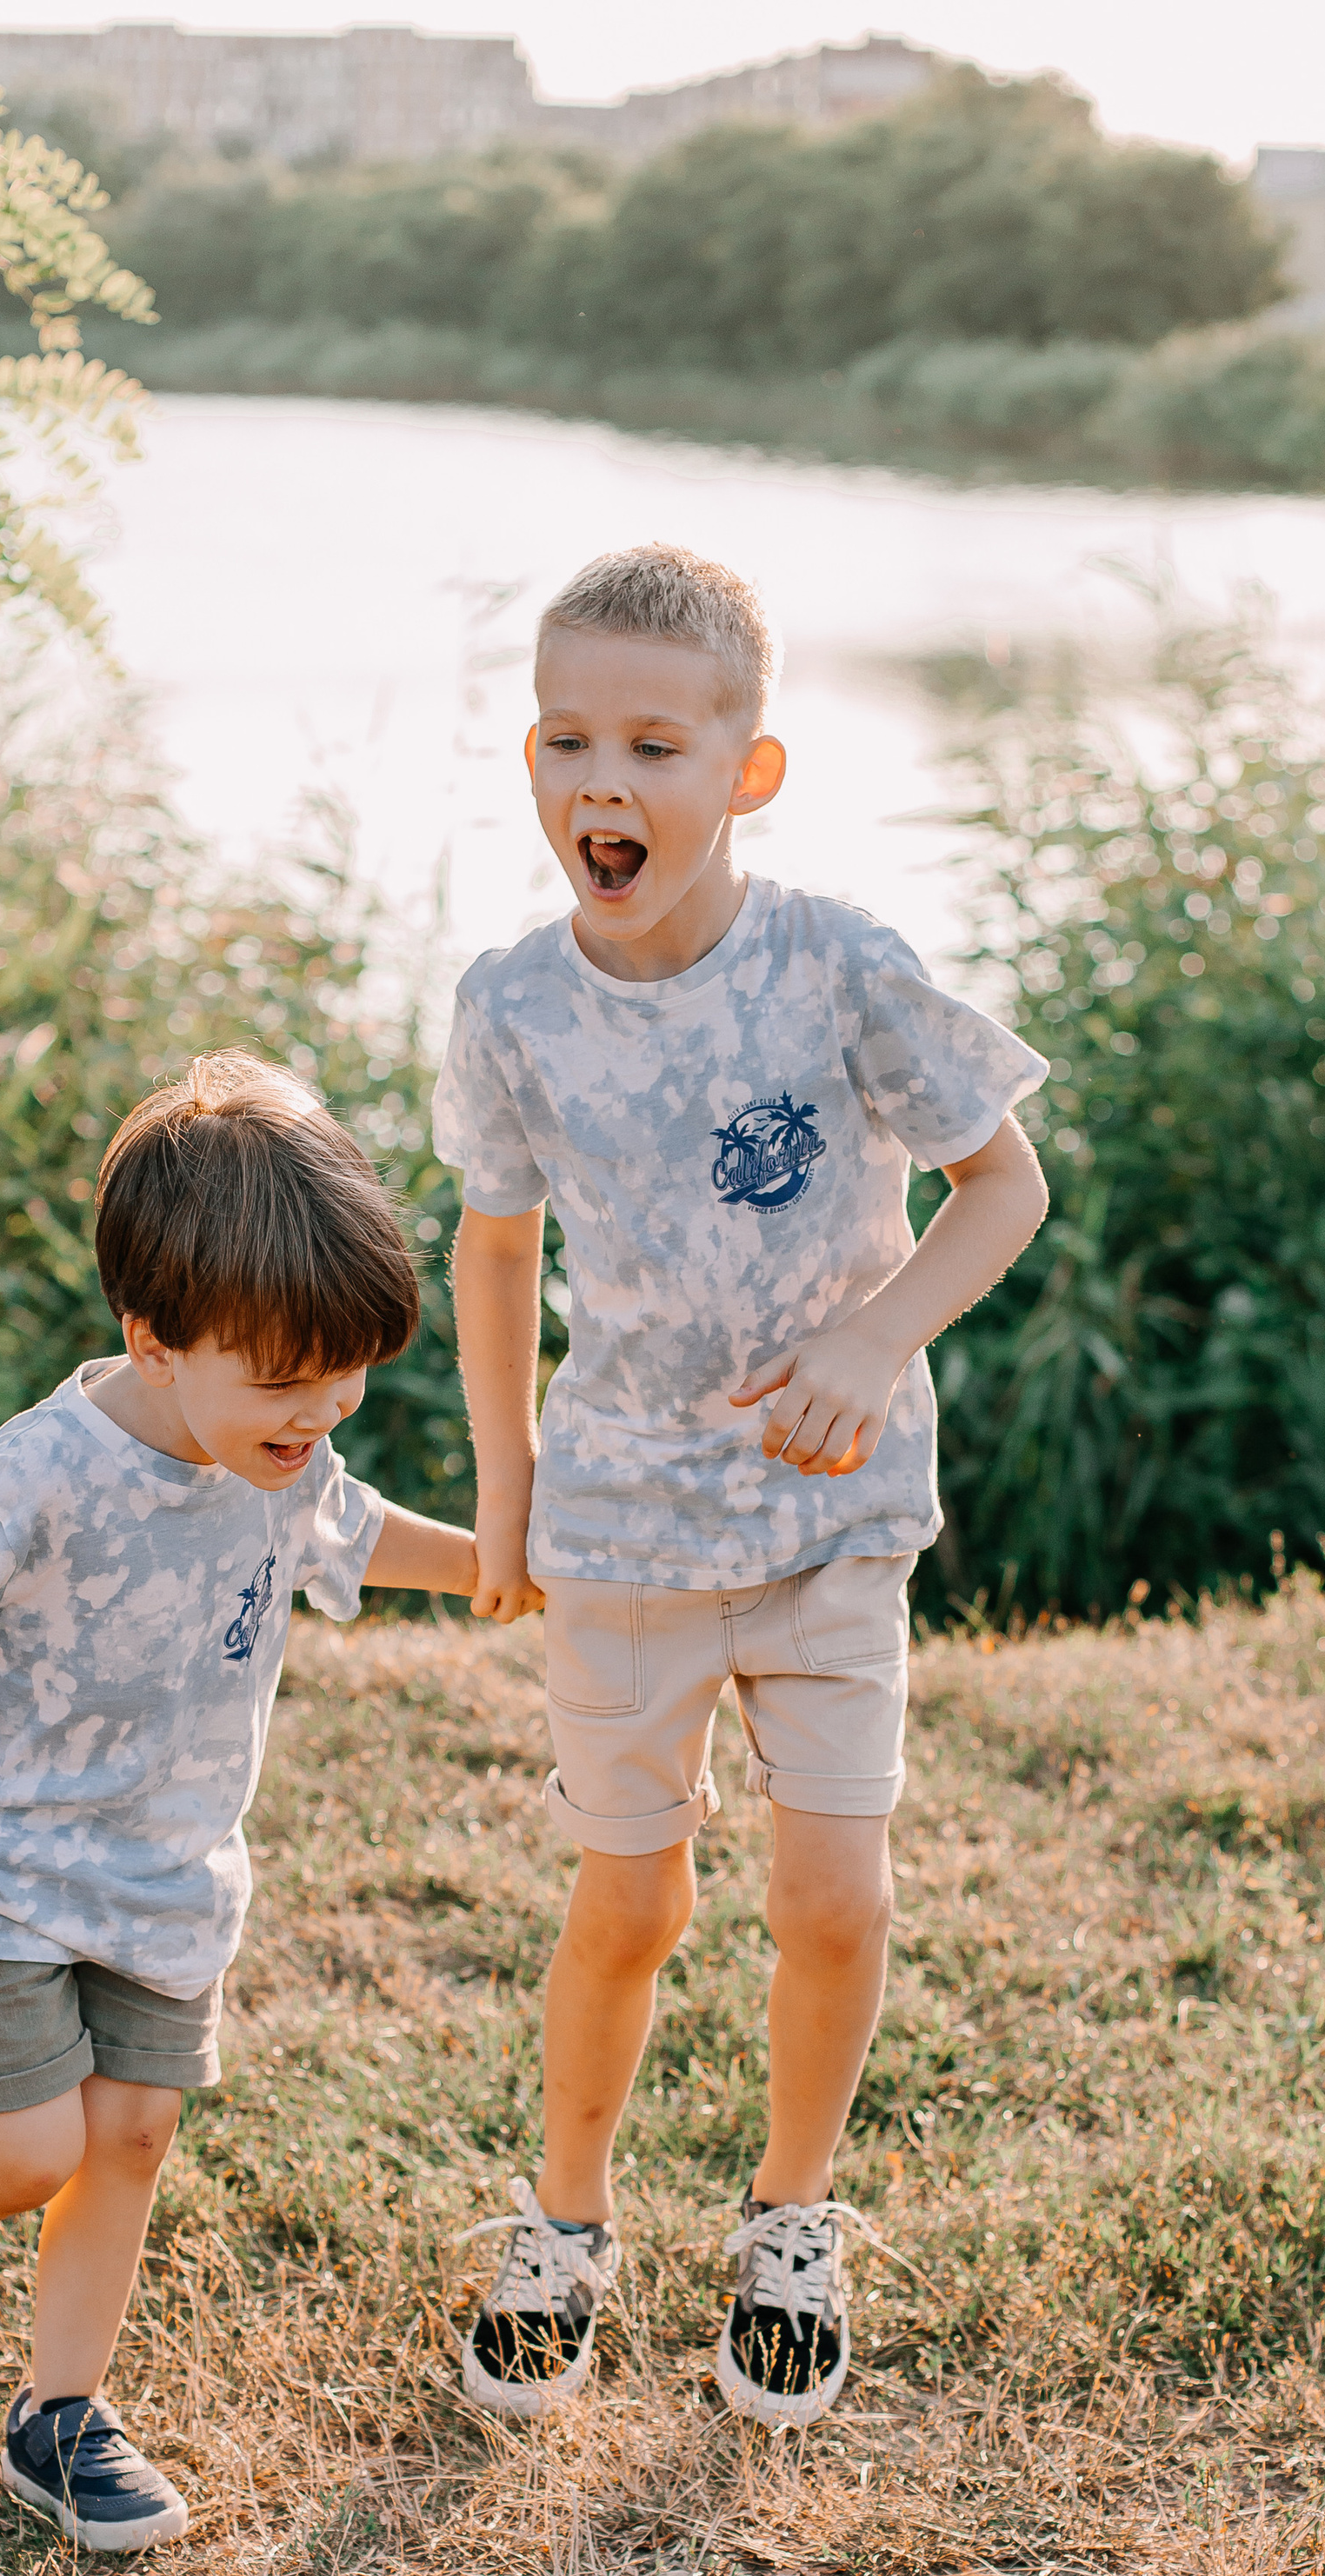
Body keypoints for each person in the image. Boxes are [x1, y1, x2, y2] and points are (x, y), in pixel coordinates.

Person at [436, 542, 1050, 2430]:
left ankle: (789, 2218)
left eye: (649, 745)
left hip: (826, 1518)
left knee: (831, 1896)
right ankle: (565, 2218)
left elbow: (1003, 1187)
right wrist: (507, 1475)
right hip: (621, 1518)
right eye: (562, 742)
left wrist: (874, 1345)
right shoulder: (509, 1004)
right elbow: (491, 1246)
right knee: (626, 1904)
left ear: (745, 772)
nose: (598, 785)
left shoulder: (838, 962)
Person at [0, 1053, 478, 2549]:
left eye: (346, 1373)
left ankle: (61, 2415)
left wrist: (505, 1560)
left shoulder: (283, 1445)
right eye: (284, 1377)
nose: (322, 1411)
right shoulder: (35, 1477)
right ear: (155, 1336)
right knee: (32, 2143)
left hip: (167, 1874)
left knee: (125, 2138)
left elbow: (360, 1529)